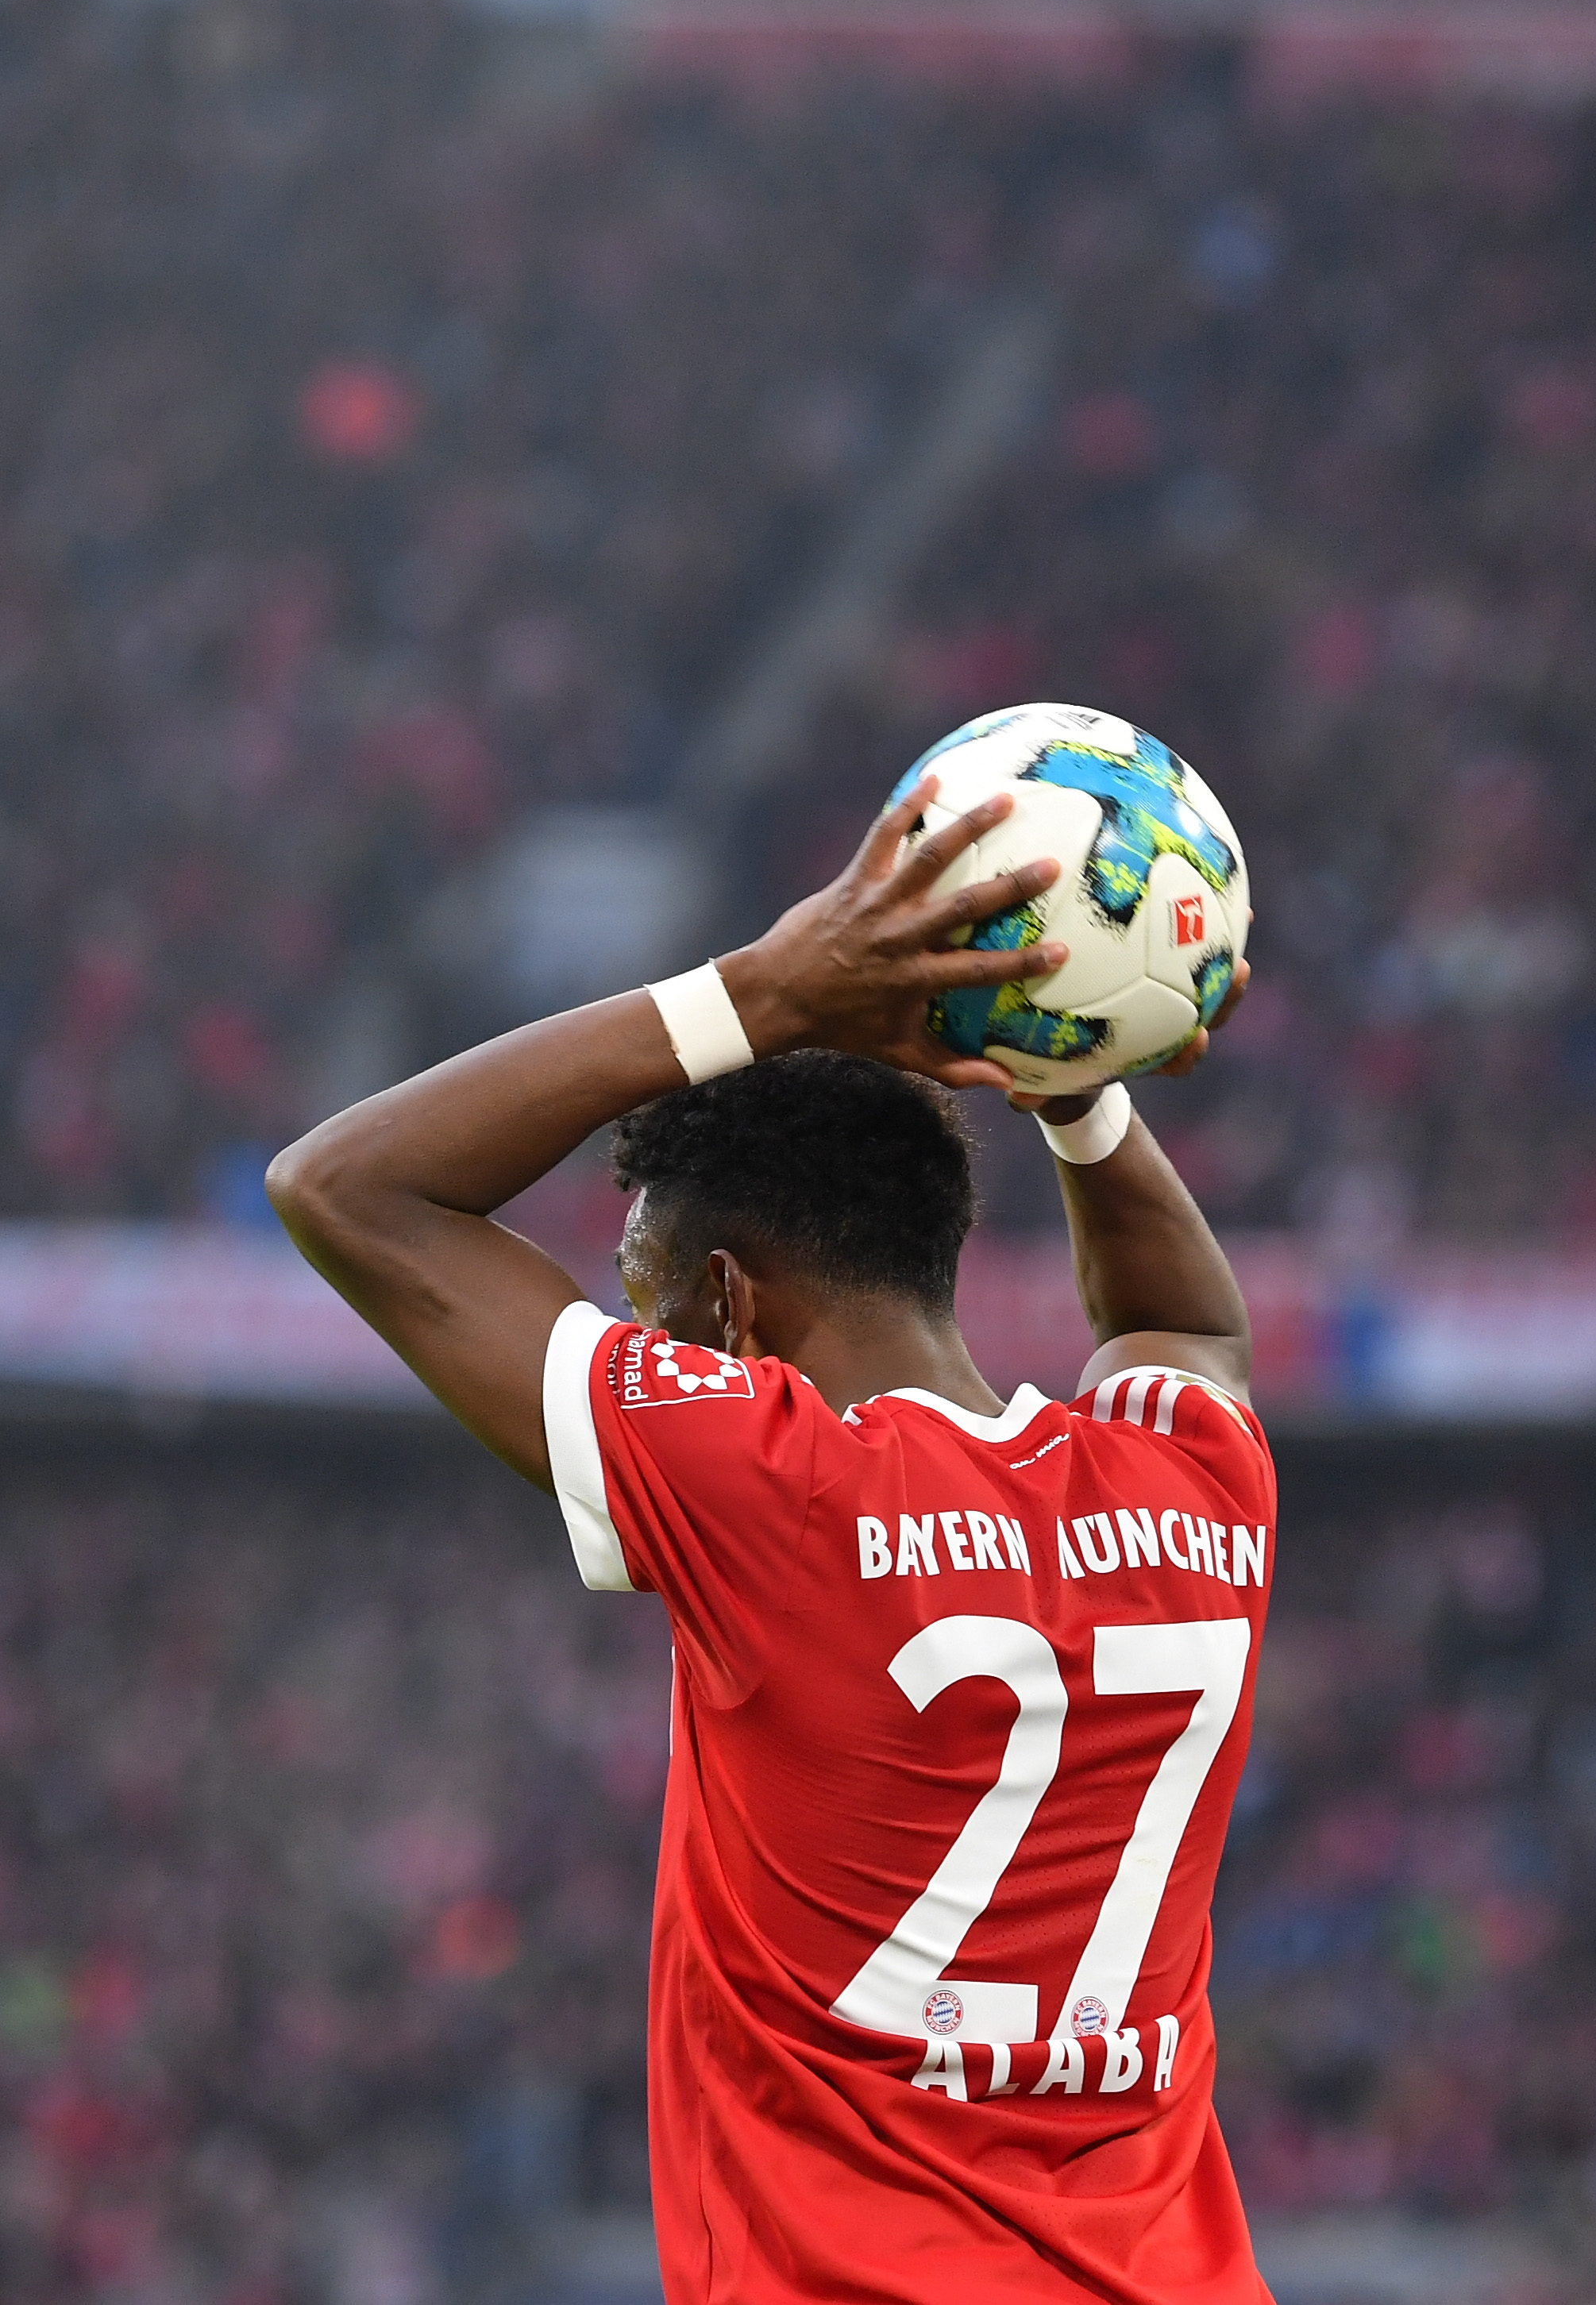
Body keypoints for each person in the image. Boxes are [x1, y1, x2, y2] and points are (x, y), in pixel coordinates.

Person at [268, 795, 1274, 2303]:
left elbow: (345, 1188)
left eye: (645, 1292)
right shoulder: (1194, 1487)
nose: (639, 1331)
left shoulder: (774, 1484)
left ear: (726, 1307)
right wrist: (1078, 1080)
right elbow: (1187, 1321)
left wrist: (760, 992)